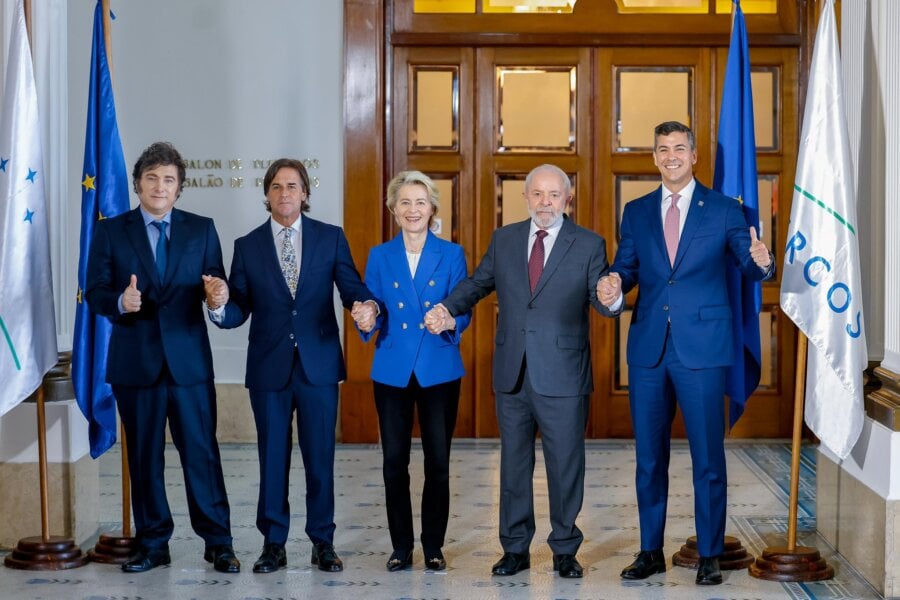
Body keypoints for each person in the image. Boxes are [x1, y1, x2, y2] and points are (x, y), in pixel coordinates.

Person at [597, 121, 774, 586]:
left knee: (707, 456)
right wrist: (614, 287)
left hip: (704, 349)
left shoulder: (723, 209)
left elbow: (746, 261)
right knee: (649, 457)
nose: (671, 156)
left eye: (679, 148)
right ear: (654, 158)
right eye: (662, 149)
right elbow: (626, 268)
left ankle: (710, 553)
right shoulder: (635, 212)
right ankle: (650, 550)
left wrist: (762, 260)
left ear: (694, 156)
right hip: (650, 349)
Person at [425, 164, 615, 579]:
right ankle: (514, 549)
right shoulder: (505, 239)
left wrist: (611, 296)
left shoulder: (589, 244)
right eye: (537, 194)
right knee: (513, 465)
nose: (545, 203)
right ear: (526, 197)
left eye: (553, 195)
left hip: (564, 373)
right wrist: (447, 308)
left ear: (568, 199)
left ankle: (565, 549)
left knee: (565, 465)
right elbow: (477, 284)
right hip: (512, 373)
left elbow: (601, 300)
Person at [203, 158, 379, 574]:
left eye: (293, 186)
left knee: (320, 461)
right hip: (269, 370)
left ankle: (323, 542)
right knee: (272, 459)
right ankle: (273, 544)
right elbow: (239, 308)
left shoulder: (330, 238)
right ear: (267, 194)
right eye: (277, 186)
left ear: (305, 193)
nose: (285, 193)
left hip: (317, 367)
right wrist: (218, 305)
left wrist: (366, 307)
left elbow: (352, 290)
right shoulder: (248, 246)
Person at [85, 142, 239, 574]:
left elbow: (217, 284)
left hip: (189, 364)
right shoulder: (112, 231)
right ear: (138, 184)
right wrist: (120, 300)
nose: (159, 186)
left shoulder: (202, 229)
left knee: (202, 454)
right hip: (137, 365)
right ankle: (153, 543)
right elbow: (94, 291)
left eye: (168, 179)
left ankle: (218, 542)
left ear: (179, 188)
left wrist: (217, 296)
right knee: (145, 458)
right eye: (151, 177)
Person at [356, 171, 471, 572]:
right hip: (393, 368)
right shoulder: (380, 255)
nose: (413, 209)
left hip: (438, 368)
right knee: (394, 462)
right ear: (393, 209)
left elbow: (464, 306)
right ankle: (401, 546)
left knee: (438, 462)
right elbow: (372, 305)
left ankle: (434, 546)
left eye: (420, 202)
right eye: (404, 202)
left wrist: (451, 320)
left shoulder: (452, 254)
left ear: (432, 208)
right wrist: (366, 316)